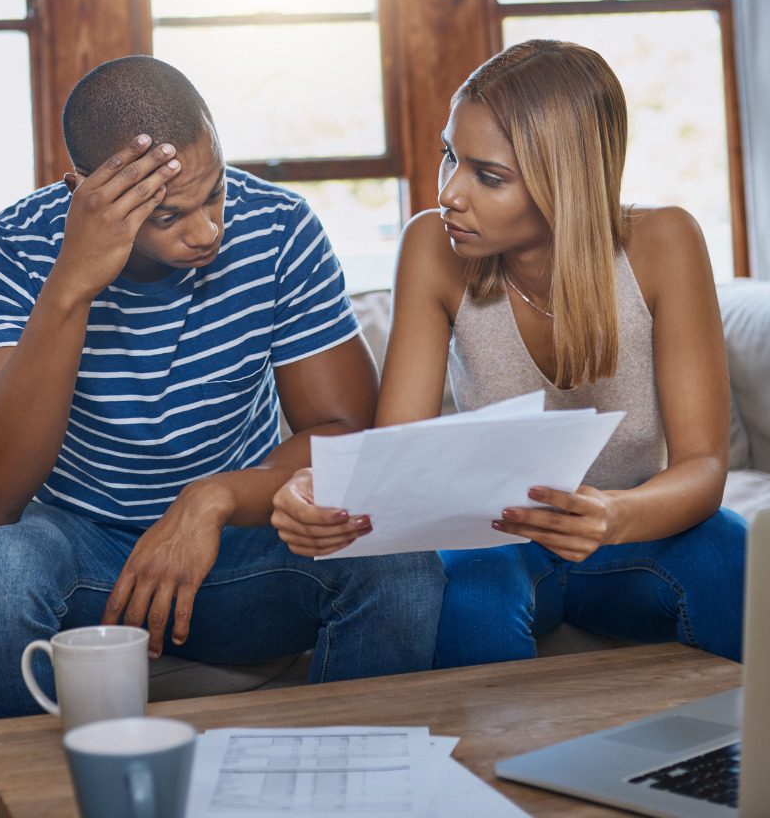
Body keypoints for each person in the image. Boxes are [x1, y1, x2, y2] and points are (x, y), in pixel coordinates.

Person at [0, 55, 445, 725]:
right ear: (87, 191)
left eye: (214, 192)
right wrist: (71, 285)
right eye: (170, 214)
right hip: (85, 549)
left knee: (398, 560)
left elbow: (348, 436)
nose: (208, 231)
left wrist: (213, 499)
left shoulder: (280, 228)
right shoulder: (4, 252)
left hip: (238, 544)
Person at [272, 39, 746, 665]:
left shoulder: (667, 243)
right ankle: (495, 765)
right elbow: (399, 459)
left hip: (634, 529)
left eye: (487, 176)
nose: (449, 192)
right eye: (449, 156)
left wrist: (614, 515)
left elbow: (704, 466)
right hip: (498, 538)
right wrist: (325, 491)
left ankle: (738, 758)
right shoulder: (430, 246)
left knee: (730, 553)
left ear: (564, 180)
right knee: (472, 597)